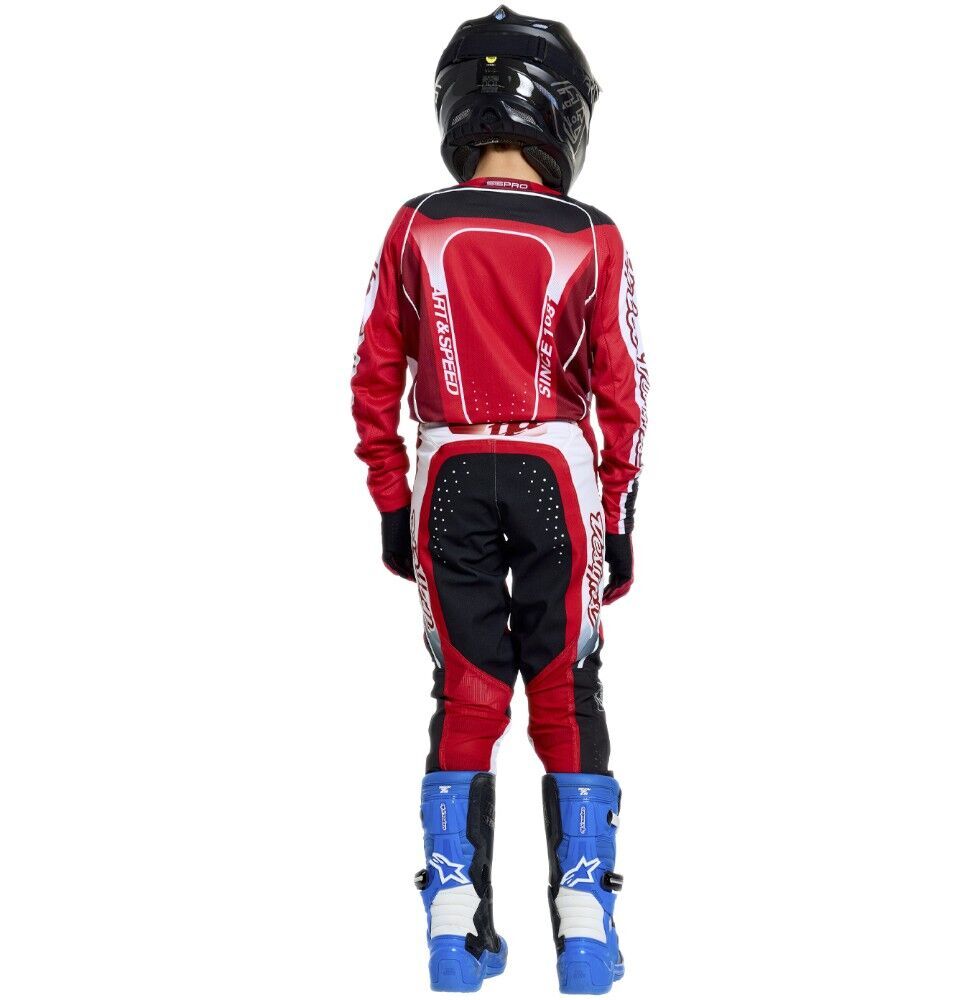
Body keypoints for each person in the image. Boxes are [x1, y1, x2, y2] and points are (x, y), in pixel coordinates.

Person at [350, 6, 648, 993]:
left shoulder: (416, 223)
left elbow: (374, 374)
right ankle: (585, 932)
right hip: (554, 472)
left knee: (466, 690)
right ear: (560, 111)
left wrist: (392, 499)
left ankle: (454, 932)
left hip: (446, 472)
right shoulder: (592, 235)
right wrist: (618, 516)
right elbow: (624, 392)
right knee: (568, 686)